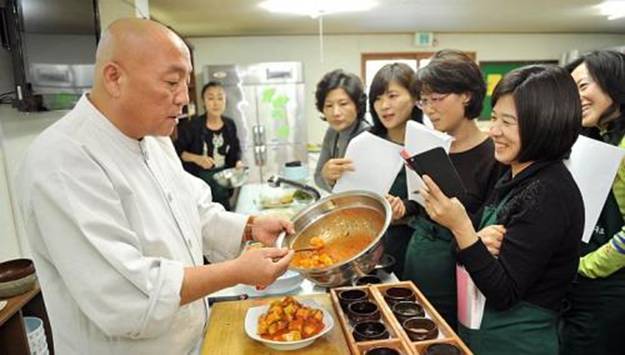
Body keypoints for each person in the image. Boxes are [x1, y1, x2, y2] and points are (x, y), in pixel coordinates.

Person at [15, 18, 294, 355]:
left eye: (186, 84)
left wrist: (250, 227)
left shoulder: (153, 138)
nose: (183, 100)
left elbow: (193, 210)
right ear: (114, 78)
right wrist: (236, 271)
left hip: (191, 341)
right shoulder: (62, 159)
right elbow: (126, 294)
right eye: (172, 82)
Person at [420, 65, 583, 355]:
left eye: (507, 122)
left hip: (518, 343)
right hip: (480, 334)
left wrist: (462, 229)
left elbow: (503, 293)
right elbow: (465, 254)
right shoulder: (511, 174)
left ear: (546, 123)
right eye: (494, 117)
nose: (493, 131)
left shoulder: (549, 193)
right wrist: (474, 240)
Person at [402, 49, 502, 328]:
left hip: (458, 268)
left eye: (437, 99)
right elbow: (418, 201)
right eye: (424, 101)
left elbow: (490, 225)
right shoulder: (428, 145)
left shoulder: (494, 155)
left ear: (467, 95)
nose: (429, 109)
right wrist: (405, 206)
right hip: (417, 257)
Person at [560, 50, 625, 355]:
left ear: (613, 81)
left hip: (610, 285)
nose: (577, 98)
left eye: (583, 86)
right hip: (584, 285)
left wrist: (587, 266)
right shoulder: (596, 136)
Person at [368, 62, 423, 276]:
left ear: (414, 98)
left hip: (409, 243)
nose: (383, 106)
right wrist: (332, 175)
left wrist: (405, 207)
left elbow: (428, 201)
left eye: (392, 96)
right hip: (367, 240)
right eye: (378, 99)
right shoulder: (366, 142)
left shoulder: (427, 144)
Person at [174, 81, 243, 210]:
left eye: (220, 98)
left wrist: (238, 162)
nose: (216, 103)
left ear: (225, 101)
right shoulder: (192, 126)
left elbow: (235, 149)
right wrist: (197, 159)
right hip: (199, 185)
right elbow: (177, 151)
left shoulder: (229, 125)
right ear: (203, 102)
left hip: (222, 184)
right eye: (210, 98)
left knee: (225, 216)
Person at [313, 69, 370, 192]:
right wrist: (326, 175)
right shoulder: (332, 132)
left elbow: (361, 189)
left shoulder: (367, 136)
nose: (336, 113)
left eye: (343, 104)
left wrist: (328, 179)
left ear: (357, 105)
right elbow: (317, 177)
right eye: (329, 105)